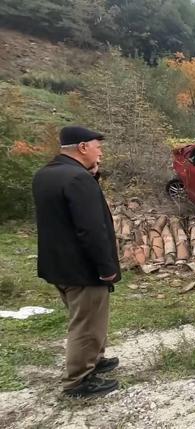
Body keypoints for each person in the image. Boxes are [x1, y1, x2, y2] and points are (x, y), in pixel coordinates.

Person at [32, 126, 121, 398]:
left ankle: (94, 359)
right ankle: (78, 381)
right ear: (82, 147)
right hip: (82, 268)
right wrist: (107, 269)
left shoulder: (46, 174)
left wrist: (92, 176)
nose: (101, 151)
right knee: (86, 324)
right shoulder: (77, 179)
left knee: (86, 318)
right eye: (97, 146)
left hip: (57, 264)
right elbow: (91, 229)